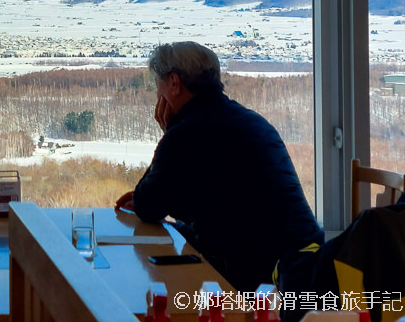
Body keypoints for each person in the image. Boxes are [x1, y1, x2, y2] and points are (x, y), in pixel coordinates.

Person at [115, 41, 323, 293]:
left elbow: (149, 206)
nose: (157, 95)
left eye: (157, 84)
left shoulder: (186, 133)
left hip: (256, 278)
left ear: (174, 83)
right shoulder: (250, 120)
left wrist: (170, 133)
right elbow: (210, 202)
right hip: (307, 265)